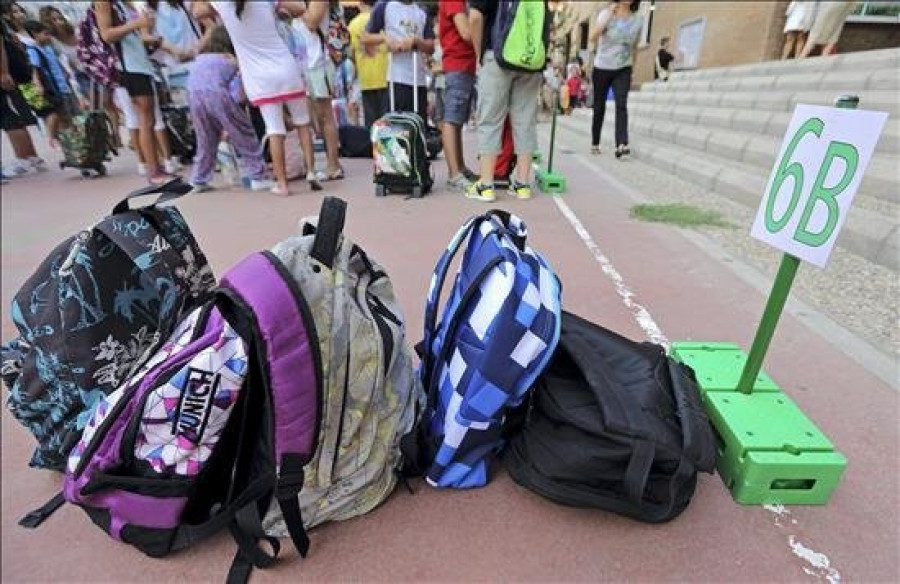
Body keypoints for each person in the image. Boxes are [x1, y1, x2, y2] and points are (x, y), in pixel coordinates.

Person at [192, 0, 315, 196]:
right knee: (302, 122)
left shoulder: (224, 5)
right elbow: (300, 8)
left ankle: (282, 184)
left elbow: (198, 11)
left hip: (259, 77)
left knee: (275, 129)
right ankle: (311, 172)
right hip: (286, 67)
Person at [466, 0, 547, 202]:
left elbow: (475, 17)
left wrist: (479, 55)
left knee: (490, 120)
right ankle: (522, 184)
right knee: (525, 121)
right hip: (530, 61)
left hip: (497, 54)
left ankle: (485, 185)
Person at [94, 0, 177, 185]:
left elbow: (139, 35)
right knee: (146, 120)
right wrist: (136, 24)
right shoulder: (105, 3)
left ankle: (156, 166)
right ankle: (153, 170)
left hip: (140, 65)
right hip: (129, 67)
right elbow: (106, 34)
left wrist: (147, 32)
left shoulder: (126, 4)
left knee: (150, 119)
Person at [185, 25, 272, 193]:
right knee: (244, 134)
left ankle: (198, 179)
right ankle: (257, 175)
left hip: (194, 96)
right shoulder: (232, 60)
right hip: (218, 94)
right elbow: (239, 93)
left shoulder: (201, 59)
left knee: (205, 138)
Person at [294, 0, 345, 181]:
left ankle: (333, 164)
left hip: (318, 61)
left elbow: (312, 21)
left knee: (325, 115)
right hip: (301, 60)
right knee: (307, 116)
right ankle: (311, 166)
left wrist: (293, 7)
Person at [364, 0, 435, 121]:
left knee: (418, 124)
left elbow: (430, 46)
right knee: (397, 125)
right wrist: (386, 38)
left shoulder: (421, 10)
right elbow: (366, 37)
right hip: (396, 78)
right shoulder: (385, 6)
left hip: (418, 79)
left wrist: (416, 42)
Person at [589, 0, 642, 158]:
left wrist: (633, 69)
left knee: (621, 104)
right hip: (602, 67)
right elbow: (592, 37)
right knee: (599, 106)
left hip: (624, 67)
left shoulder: (638, 20)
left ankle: (621, 143)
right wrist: (608, 16)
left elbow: (635, 46)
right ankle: (595, 142)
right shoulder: (606, 13)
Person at [0, 6, 46, 179]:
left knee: (7, 116)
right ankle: (31, 157)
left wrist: (3, 72)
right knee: (9, 114)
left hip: (5, 74)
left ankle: (24, 158)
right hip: (8, 73)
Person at [438, 0, 478, 192]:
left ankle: (460, 168)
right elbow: (466, 32)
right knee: (452, 120)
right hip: (458, 64)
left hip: (464, 65)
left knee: (458, 120)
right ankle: (454, 173)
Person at [23, 20, 77, 148]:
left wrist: (65, 72)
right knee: (62, 116)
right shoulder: (33, 50)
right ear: (34, 34)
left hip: (64, 86)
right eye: (45, 34)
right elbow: (35, 69)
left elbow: (56, 64)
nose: (49, 37)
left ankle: (73, 139)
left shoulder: (49, 48)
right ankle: (67, 143)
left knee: (72, 115)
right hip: (54, 89)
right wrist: (38, 84)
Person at [348, 0, 388, 128]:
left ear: (360, 4)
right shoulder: (385, 18)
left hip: (366, 79)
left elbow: (353, 54)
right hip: (386, 77)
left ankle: (373, 148)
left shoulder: (353, 24)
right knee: (388, 122)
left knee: (371, 124)